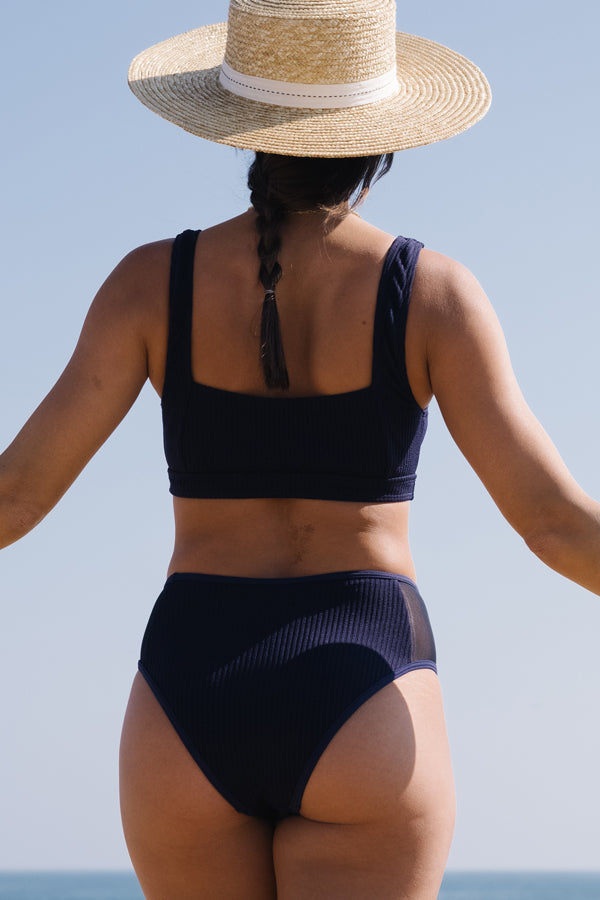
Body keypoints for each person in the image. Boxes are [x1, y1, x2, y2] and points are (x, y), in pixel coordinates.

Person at [1, 1, 598, 898]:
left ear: (243, 130)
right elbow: (554, 523)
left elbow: (14, 496)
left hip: (189, 690)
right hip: (364, 685)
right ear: (381, 141)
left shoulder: (148, 284)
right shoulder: (433, 294)